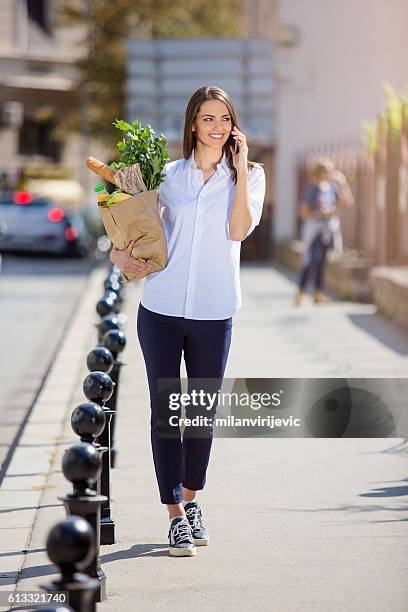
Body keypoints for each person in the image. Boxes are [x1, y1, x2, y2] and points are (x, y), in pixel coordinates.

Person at [110, 86, 266, 557]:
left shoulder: (252, 177)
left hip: (214, 311)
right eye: (206, 118)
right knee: (165, 412)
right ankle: (175, 513)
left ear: (233, 125)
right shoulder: (167, 175)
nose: (216, 126)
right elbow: (132, 225)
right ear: (192, 125)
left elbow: (239, 230)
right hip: (159, 308)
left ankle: (193, 498)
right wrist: (120, 252)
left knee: (199, 413)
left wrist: (238, 172)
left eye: (224, 118)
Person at [294, 157, 353, 306]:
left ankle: (318, 293)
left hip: (328, 229)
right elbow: (303, 212)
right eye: (329, 171)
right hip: (314, 229)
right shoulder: (311, 189)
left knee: (322, 261)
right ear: (321, 172)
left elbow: (348, 202)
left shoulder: (333, 188)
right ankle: (301, 291)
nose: (332, 173)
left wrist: (343, 183)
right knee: (311, 259)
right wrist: (319, 214)